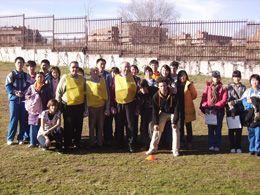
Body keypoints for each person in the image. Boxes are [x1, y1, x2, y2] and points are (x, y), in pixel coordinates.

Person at [56, 61, 86, 151]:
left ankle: (77, 142)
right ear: (70, 68)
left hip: (79, 106)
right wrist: (58, 105)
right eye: (73, 67)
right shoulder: (65, 77)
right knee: (68, 125)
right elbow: (59, 92)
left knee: (78, 125)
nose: (75, 69)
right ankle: (67, 143)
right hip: (68, 106)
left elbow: (85, 93)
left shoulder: (82, 78)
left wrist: (86, 107)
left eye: (76, 67)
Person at [145, 77, 180, 157]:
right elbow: (155, 111)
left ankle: (175, 150)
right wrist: (156, 123)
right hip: (164, 113)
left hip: (173, 113)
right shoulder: (155, 96)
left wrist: (174, 121)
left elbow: (177, 109)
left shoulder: (173, 94)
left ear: (167, 86)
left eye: (164, 86)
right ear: (158, 87)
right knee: (157, 129)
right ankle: (153, 148)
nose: (163, 88)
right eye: (161, 86)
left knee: (175, 129)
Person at [200, 71, 228, 152]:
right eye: (214, 77)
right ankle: (211, 144)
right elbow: (204, 98)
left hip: (219, 111)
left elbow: (224, 99)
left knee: (218, 129)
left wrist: (216, 106)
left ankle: (217, 145)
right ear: (212, 78)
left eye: (217, 77)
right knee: (211, 129)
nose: (215, 78)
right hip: (209, 110)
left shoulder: (223, 88)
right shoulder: (208, 87)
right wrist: (205, 105)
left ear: (219, 78)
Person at [5, 57, 30, 145]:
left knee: (23, 119)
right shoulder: (11, 74)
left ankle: (21, 138)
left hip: (23, 100)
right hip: (14, 100)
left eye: (21, 63)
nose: (20, 64)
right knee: (14, 119)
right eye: (18, 62)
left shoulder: (26, 75)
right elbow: (8, 86)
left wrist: (23, 92)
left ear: (23, 64)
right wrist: (15, 92)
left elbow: (29, 85)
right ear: (15, 64)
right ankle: (10, 138)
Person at [114, 61, 138, 152]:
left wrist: (136, 107)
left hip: (130, 104)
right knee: (119, 124)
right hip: (119, 104)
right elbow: (112, 91)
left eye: (128, 67)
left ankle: (131, 144)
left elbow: (137, 93)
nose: (126, 68)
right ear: (120, 68)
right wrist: (112, 105)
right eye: (125, 67)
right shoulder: (115, 78)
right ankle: (119, 143)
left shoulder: (134, 78)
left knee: (130, 125)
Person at [25, 71, 52, 147]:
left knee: (41, 126)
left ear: (44, 78)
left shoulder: (47, 87)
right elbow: (26, 95)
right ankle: (32, 142)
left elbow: (50, 98)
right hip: (33, 110)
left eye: (41, 77)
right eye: (38, 77)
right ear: (35, 78)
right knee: (33, 126)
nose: (40, 78)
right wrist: (29, 97)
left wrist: (48, 108)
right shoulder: (31, 87)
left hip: (43, 110)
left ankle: (41, 142)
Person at [86, 67, 109, 147]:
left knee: (100, 125)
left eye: (96, 71)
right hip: (91, 107)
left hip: (101, 106)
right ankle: (91, 142)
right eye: (93, 71)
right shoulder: (87, 81)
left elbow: (106, 94)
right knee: (91, 126)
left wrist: (107, 108)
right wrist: (85, 108)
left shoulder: (102, 80)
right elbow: (85, 96)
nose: (95, 72)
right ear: (90, 72)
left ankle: (100, 142)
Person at [226, 70, 246, 153]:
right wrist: (230, 105)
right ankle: (232, 146)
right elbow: (227, 97)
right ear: (232, 77)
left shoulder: (243, 87)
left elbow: (244, 98)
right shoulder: (229, 87)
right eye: (234, 76)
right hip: (230, 110)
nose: (236, 78)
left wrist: (236, 101)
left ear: (240, 77)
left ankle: (238, 146)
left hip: (240, 110)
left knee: (239, 129)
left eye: (238, 76)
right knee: (231, 129)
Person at [176, 70, 197, 149]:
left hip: (187, 108)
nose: (182, 77)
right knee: (180, 125)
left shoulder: (189, 84)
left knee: (188, 126)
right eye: (180, 76)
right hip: (179, 108)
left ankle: (189, 142)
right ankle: (181, 141)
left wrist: (188, 99)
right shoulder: (176, 84)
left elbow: (194, 95)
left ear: (186, 76)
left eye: (184, 75)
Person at [241, 74, 260, 156]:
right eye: (252, 80)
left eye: (256, 80)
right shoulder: (248, 91)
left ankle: (258, 149)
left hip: (258, 114)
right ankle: (251, 148)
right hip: (249, 114)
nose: (254, 82)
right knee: (251, 133)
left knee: (258, 133)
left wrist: (254, 102)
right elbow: (243, 101)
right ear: (250, 82)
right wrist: (249, 104)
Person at [137, 79, 158, 147]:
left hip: (152, 111)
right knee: (143, 126)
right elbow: (138, 104)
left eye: (143, 88)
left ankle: (153, 144)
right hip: (144, 112)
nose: (142, 90)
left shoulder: (154, 90)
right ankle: (143, 143)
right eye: (140, 88)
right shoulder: (139, 94)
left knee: (151, 126)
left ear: (147, 86)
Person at [104, 67, 120, 145]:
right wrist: (111, 106)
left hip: (118, 105)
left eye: (116, 72)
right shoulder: (107, 81)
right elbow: (108, 95)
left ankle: (118, 137)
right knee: (108, 123)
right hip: (109, 105)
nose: (114, 74)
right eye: (113, 72)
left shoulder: (119, 81)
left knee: (118, 122)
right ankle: (108, 138)